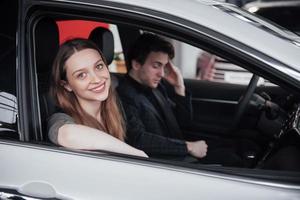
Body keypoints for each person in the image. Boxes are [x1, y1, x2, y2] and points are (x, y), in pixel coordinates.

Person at [117, 33, 259, 166]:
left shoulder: (155, 87)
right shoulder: (124, 95)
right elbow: (139, 139)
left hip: (177, 150)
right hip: (166, 162)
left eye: (164, 66)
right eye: (156, 66)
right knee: (233, 159)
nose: (161, 73)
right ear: (136, 64)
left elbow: (182, 122)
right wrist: (188, 147)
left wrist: (179, 87)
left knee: (242, 144)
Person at [47, 38, 147, 158]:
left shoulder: (117, 106)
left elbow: (141, 138)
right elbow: (67, 135)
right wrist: (136, 154)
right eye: (81, 75)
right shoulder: (61, 117)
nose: (97, 79)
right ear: (67, 85)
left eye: (99, 66)